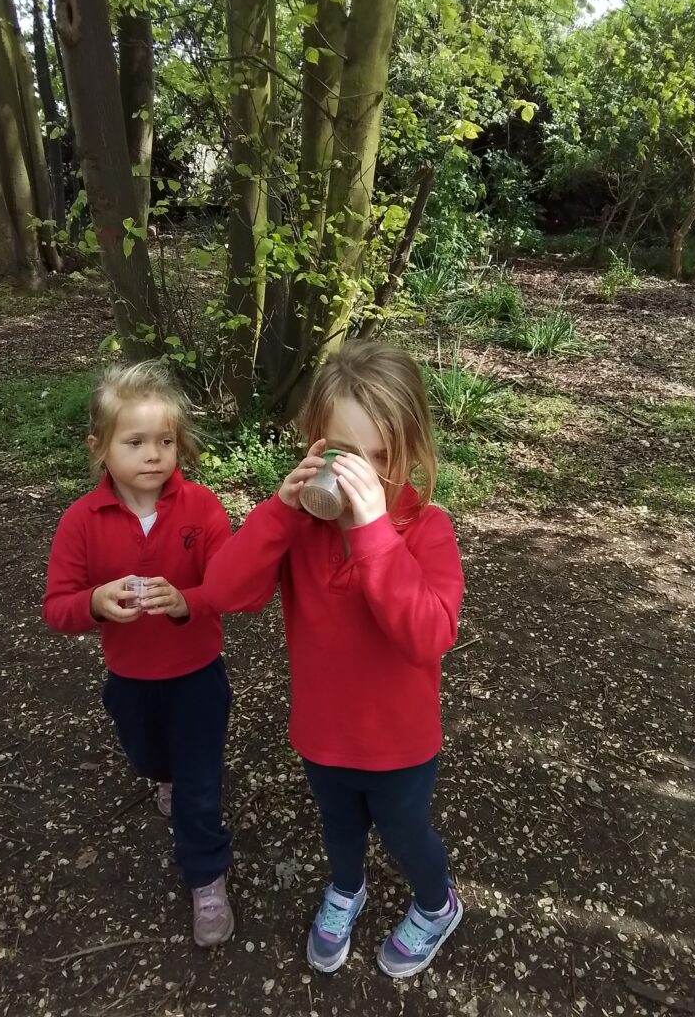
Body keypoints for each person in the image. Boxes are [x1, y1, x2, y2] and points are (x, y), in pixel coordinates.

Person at [204, 341, 465, 977]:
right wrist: (278, 511)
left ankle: (438, 904)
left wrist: (374, 533)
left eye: (383, 459)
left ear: (409, 451)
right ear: (315, 445)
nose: (365, 478)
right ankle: (346, 888)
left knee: (406, 836)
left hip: (401, 746)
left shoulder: (427, 530)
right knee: (339, 830)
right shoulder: (297, 528)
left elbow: (429, 634)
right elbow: (223, 593)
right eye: (349, 457)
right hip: (321, 735)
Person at [43, 361, 234, 948]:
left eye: (165, 441)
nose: (153, 454)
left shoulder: (200, 508)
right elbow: (57, 606)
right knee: (151, 756)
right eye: (136, 442)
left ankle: (206, 877)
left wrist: (187, 602)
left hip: (198, 675)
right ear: (100, 448)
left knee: (200, 784)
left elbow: (230, 585)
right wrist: (96, 602)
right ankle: (163, 777)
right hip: (129, 678)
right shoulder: (82, 520)